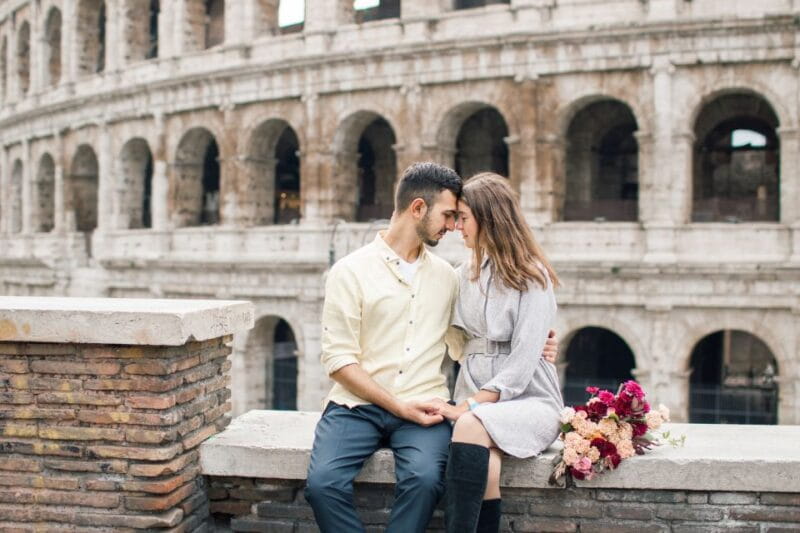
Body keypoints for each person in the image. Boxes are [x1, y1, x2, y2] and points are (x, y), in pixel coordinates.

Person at [304, 163, 558, 533]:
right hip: (355, 406)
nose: (454, 227)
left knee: (426, 481)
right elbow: (339, 359)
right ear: (418, 208)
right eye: (449, 215)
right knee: (322, 484)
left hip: (432, 403)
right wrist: (404, 406)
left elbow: (476, 336)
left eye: (461, 217)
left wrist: (541, 342)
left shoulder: (447, 276)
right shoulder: (351, 271)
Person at [426, 172, 564, 533]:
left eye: (464, 218)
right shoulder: (462, 274)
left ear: (489, 218)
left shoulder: (532, 275)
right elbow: (439, 331)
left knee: (471, 425)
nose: (457, 227)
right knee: (486, 467)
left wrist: (468, 406)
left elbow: (521, 365)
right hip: (474, 392)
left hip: (530, 398)